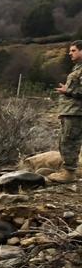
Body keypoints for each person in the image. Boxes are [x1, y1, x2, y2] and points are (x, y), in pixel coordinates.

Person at [49, 40, 82, 183]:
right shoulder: (77, 68)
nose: (70, 53)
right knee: (66, 140)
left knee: (69, 141)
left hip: (76, 112)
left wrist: (67, 90)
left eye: (73, 50)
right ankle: (68, 170)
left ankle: (69, 173)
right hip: (71, 111)